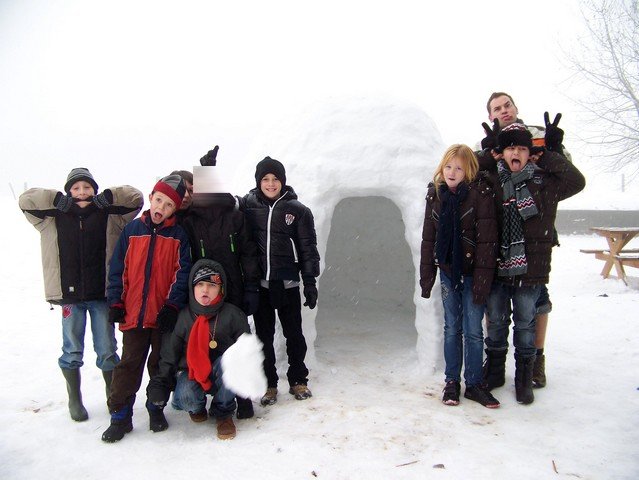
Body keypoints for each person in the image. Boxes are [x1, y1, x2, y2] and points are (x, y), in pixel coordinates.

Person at [19, 168, 143, 422]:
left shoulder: (111, 215)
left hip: (102, 295)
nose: (82, 192)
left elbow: (136, 198)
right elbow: (25, 200)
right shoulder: (51, 217)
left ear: (95, 190)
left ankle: (113, 395)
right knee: (72, 349)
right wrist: (55, 199)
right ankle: (74, 399)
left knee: (107, 348)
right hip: (70, 297)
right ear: (68, 192)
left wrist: (108, 196)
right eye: (75, 188)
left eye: (87, 187)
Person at [480, 123, 585, 404]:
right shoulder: (491, 181)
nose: (515, 153)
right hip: (498, 267)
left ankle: (524, 379)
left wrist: (549, 154)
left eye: (521, 148)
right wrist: (489, 155)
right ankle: (495, 372)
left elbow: (577, 181)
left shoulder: (544, 182)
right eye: (510, 148)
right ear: (503, 153)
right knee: (497, 322)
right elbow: (465, 172)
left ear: (530, 153)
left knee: (526, 325)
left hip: (531, 269)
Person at [101, 174, 191, 442]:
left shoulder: (178, 236)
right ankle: (120, 416)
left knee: (160, 366)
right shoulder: (132, 231)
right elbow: (118, 269)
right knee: (129, 365)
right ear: (151, 198)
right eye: (159, 200)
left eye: (169, 205)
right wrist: (116, 301)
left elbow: (181, 275)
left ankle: (155, 408)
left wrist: (172, 306)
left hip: (162, 317)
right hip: (133, 314)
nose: (161, 208)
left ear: (175, 210)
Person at [180, 146, 262, 419]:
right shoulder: (190, 221)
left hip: (234, 291)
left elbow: (248, 253)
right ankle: (209, 395)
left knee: (239, 344)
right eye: (203, 187)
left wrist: (251, 287)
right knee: (208, 341)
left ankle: (243, 397)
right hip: (204, 292)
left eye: (212, 185)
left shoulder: (235, 216)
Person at [420, 145, 499, 408]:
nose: (452, 172)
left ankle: (474, 383)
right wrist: (427, 276)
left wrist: (482, 279)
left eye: (459, 168)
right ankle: (452, 381)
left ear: (469, 172)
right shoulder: (435, 195)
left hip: (473, 273)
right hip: (448, 272)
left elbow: (487, 241)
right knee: (452, 328)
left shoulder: (480, 196)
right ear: (441, 168)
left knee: (474, 330)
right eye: (448, 166)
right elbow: (428, 238)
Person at [239, 157, 320, 405]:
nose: (271, 184)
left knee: (294, 335)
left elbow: (308, 248)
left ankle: (298, 379)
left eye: (276, 179)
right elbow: (220, 206)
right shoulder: (248, 205)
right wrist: (207, 173)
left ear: (283, 181)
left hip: (288, 284)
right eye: (265, 179)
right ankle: (269, 384)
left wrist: (309, 282)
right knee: (263, 337)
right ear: (258, 181)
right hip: (261, 285)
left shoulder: (298, 210)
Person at [147, 259, 251, 440]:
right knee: (185, 395)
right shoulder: (183, 317)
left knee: (231, 365)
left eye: (211, 285)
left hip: (222, 371)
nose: (205, 290)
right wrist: (160, 383)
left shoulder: (233, 314)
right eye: (200, 285)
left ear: (221, 289)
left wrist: (244, 397)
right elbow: (169, 354)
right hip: (191, 371)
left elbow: (247, 352)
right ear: (192, 288)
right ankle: (196, 407)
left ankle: (223, 412)